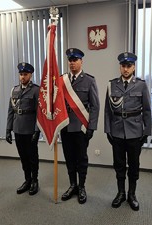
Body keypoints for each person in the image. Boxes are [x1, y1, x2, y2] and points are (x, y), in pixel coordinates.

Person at [104, 52, 152, 211]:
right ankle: (120, 193)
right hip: (117, 131)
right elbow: (107, 111)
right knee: (118, 164)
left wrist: (146, 132)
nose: (125, 69)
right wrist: (107, 130)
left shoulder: (141, 85)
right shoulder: (112, 84)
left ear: (134, 67)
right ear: (120, 66)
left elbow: (146, 110)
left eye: (129, 66)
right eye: (123, 66)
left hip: (135, 132)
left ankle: (132, 194)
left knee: (133, 165)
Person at [60, 48, 100, 204]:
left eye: (75, 60)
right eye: (70, 60)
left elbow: (95, 106)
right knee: (69, 158)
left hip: (81, 126)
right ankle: (72, 185)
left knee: (81, 158)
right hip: (65, 126)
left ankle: (82, 187)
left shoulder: (89, 80)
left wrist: (92, 127)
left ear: (81, 61)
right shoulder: (62, 80)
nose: (72, 63)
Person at [6, 62, 40, 196]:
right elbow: (10, 111)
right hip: (18, 128)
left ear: (30, 75)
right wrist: (8, 129)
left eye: (25, 74)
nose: (22, 77)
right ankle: (27, 180)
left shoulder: (36, 90)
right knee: (23, 157)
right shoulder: (14, 90)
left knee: (32, 157)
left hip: (30, 130)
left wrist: (37, 130)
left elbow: (40, 112)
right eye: (21, 74)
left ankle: (35, 181)